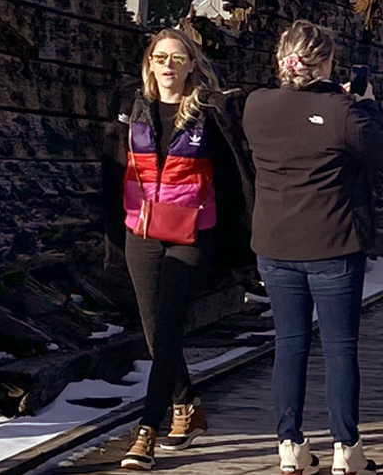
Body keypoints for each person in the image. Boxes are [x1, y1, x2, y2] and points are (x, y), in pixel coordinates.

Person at [243, 21, 383, 475]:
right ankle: (346, 448)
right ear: (328, 62)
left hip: (273, 243)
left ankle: (289, 445)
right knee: (338, 347)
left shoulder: (255, 106)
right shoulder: (344, 111)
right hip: (333, 242)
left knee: (289, 344)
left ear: (281, 60)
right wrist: (365, 106)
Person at [113, 29, 253, 472]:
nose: (168, 65)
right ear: (149, 64)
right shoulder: (129, 107)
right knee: (155, 332)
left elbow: (237, 171)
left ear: (192, 63)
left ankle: (145, 432)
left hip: (192, 232)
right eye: (160, 58)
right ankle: (187, 404)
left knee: (170, 326)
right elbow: (111, 166)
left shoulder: (212, 110)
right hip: (142, 231)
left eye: (177, 57)